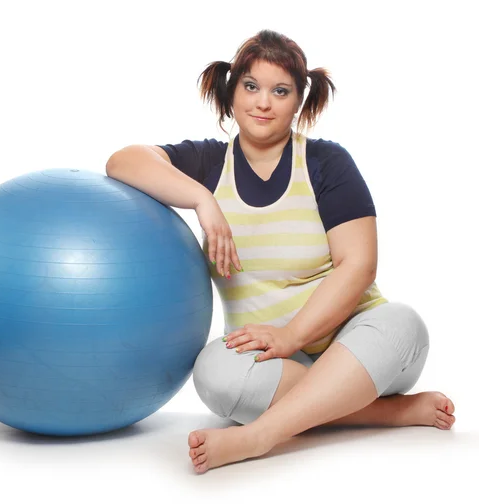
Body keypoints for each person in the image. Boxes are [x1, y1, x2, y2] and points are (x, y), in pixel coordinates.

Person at [105, 29, 455, 475]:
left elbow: (360, 265)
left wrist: (293, 336)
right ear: (231, 91)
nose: (263, 103)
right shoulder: (209, 165)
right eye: (251, 86)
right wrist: (203, 201)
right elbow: (122, 161)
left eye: (280, 91)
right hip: (276, 364)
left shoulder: (327, 163)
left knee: (403, 321)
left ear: (299, 102)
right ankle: (383, 413)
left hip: (365, 351)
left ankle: (260, 436)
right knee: (213, 374)